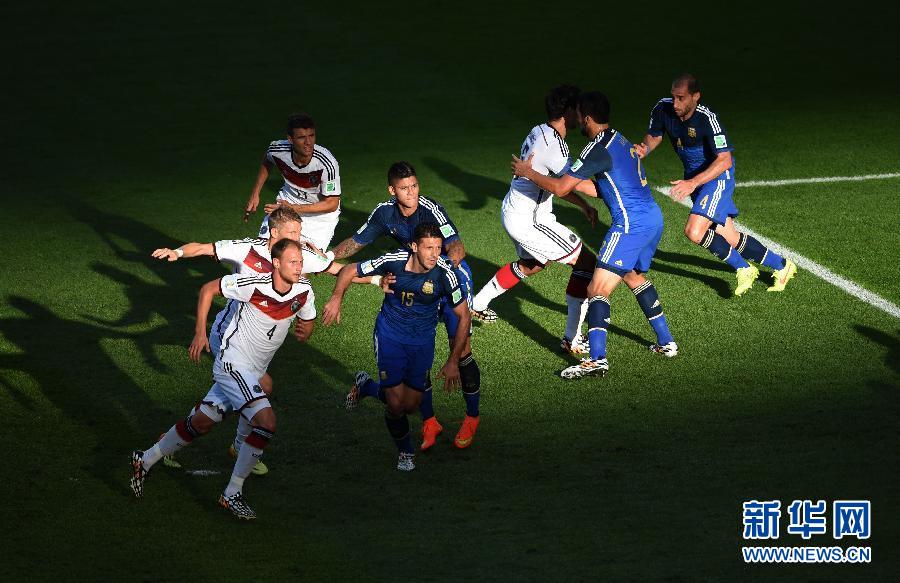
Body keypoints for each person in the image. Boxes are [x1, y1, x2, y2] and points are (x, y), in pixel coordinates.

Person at [131, 238, 316, 519]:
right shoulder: (253, 284)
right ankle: (232, 493)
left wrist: (306, 331)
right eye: (293, 262)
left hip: (253, 370)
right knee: (266, 422)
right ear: (276, 264)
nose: (299, 266)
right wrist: (200, 332)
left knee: (202, 422)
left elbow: (307, 317)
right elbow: (207, 289)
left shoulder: (303, 290)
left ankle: (145, 459)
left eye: (300, 262)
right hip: (233, 364)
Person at [513, 91, 677, 378]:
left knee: (596, 289)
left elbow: (562, 188)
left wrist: (529, 173)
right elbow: (599, 188)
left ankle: (597, 359)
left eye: (578, 115)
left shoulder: (594, 150)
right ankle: (667, 342)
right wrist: (581, 194)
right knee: (632, 276)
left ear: (586, 118)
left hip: (629, 225)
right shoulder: (620, 140)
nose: (577, 119)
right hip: (652, 219)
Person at [330, 161, 482, 450]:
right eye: (404, 188)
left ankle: (472, 416)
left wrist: (440, 268)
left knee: (460, 349)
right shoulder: (385, 213)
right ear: (392, 190)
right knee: (416, 343)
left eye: (414, 185)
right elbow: (355, 243)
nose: (411, 193)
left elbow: (457, 246)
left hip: (448, 277)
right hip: (414, 279)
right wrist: (325, 258)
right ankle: (430, 421)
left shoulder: (431, 209)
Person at [323, 223, 470, 470]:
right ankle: (405, 452)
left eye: (438, 248)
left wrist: (453, 360)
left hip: (422, 342)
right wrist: (337, 298)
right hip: (390, 335)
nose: (435, 254)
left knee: (410, 406)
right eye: (428, 248)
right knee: (394, 403)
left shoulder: (446, 273)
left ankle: (366, 386)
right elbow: (350, 269)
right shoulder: (394, 260)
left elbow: (464, 316)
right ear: (414, 247)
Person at [635, 74, 797, 295]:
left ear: (695, 97)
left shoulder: (707, 119)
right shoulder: (663, 109)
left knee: (694, 231)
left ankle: (744, 268)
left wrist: (692, 183)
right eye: (673, 97)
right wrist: (645, 148)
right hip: (696, 178)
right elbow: (654, 135)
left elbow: (725, 160)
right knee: (730, 238)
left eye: (681, 98)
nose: (675, 103)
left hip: (716, 177)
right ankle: (783, 266)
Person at [469, 85, 600, 355]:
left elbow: (557, 184)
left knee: (532, 264)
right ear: (567, 111)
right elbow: (574, 184)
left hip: (515, 210)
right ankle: (572, 339)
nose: (581, 113)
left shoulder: (538, 130)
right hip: (530, 219)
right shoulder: (555, 147)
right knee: (587, 263)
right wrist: (612, 190)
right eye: (578, 108)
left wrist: (583, 206)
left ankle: (477, 303)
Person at [244, 113, 342, 251]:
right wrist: (255, 194)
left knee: (300, 265)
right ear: (290, 139)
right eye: (302, 137)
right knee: (263, 251)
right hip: (287, 202)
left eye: (311, 136)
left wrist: (292, 208)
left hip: (319, 217)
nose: (308, 142)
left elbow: (331, 203)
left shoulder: (326, 163)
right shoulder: (277, 149)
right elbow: (267, 159)